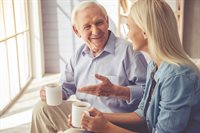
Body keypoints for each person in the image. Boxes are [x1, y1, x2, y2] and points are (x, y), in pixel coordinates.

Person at [80, 0, 200, 133]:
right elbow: (143, 114)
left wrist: (106, 127)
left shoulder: (177, 77)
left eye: (130, 27)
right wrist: (100, 116)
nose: (128, 34)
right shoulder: (154, 65)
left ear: (145, 32)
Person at [30, 1, 147, 133]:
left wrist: (117, 91)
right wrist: (51, 93)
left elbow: (149, 94)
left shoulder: (129, 51)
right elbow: (66, 87)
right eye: (87, 27)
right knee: (42, 109)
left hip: (114, 122)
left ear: (107, 21)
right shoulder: (78, 55)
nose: (95, 31)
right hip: (84, 115)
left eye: (99, 23)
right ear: (76, 30)